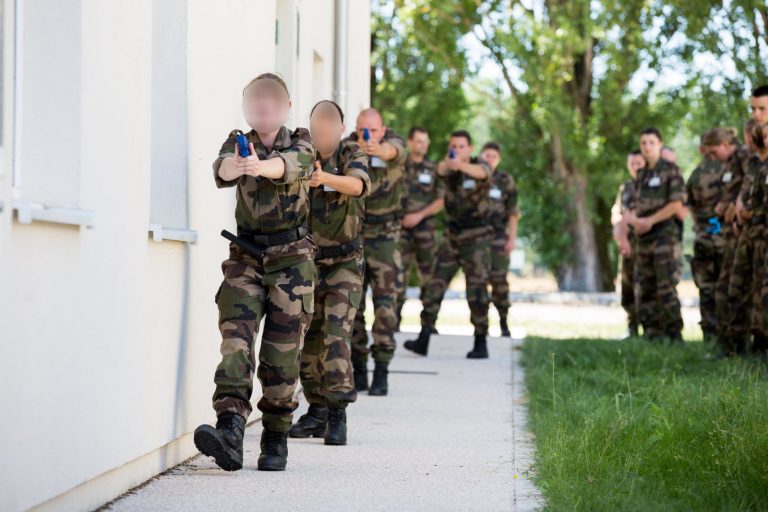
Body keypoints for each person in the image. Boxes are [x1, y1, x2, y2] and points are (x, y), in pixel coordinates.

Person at [194, 73, 316, 472]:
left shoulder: (301, 141)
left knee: (280, 359)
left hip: (291, 262)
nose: (262, 107)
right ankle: (229, 428)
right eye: (254, 101)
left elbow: (289, 167)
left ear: (285, 107)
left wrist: (260, 167)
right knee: (236, 342)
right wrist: (238, 164)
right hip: (246, 257)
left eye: (270, 101)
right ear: (247, 107)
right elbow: (223, 168)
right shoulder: (237, 140)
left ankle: (276, 434)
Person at [289, 100, 370, 445]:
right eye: (316, 126)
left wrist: (324, 178)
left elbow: (358, 186)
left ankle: (338, 412)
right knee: (307, 343)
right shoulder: (301, 152)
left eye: (328, 126)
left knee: (336, 337)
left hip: (344, 264)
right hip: (308, 262)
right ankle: (318, 410)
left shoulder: (352, 152)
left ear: (340, 128)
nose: (322, 132)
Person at [404, 130, 493, 358]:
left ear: (470, 148)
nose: (458, 149)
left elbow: (483, 173)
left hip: (476, 236)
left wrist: (461, 165)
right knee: (435, 284)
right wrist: (450, 163)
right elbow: (441, 170)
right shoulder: (448, 168)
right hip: (453, 236)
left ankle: (481, 341)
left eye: (462, 146)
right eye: (454, 145)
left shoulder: (478, 165)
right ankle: (424, 337)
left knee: (476, 290)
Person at [348, 109, 407, 396]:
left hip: (385, 237)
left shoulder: (394, 144)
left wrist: (378, 150)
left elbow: (393, 151)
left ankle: (382, 367)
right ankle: (359, 368)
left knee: (386, 306)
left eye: (373, 129)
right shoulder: (348, 147)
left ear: (383, 129)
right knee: (353, 306)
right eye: (362, 130)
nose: (367, 135)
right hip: (354, 235)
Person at [627, 127, 686, 342]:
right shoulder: (641, 175)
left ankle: (674, 334)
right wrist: (635, 221)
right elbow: (631, 206)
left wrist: (650, 221)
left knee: (666, 286)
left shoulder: (671, 171)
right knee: (646, 286)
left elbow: (676, 203)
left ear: (660, 144)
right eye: (643, 143)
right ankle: (652, 333)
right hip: (642, 239)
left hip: (664, 237)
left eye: (651, 142)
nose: (647, 147)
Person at [395, 127, 445, 331]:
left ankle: (428, 323)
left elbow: (442, 200)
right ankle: (393, 321)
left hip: (425, 230)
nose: (422, 145)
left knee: (429, 277)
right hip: (400, 229)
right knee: (398, 275)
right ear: (410, 142)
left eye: (425, 141)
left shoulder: (433, 168)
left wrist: (419, 215)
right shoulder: (398, 165)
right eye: (418, 141)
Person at [713, 123, 752, 355]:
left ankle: (743, 347)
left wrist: (735, 211)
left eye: (714, 151)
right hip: (728, 232)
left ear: (725, 145)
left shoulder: (744, 157)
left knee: (738, 290)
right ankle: (730, 345)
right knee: (725, 290)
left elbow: (750, 192)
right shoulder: (728, 164)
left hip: (746, 231)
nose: (712, 157)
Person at [685, 131, 725, 343]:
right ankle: (731, 338)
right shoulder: (730, 169)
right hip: (727, 238)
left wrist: (703, 225)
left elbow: (689, 205)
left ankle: (710, 336)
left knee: (707, 289)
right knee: (728, 287)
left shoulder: (695, 175)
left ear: (702, 149)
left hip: (704, 237)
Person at [480, 142, 519, 337]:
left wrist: (511, 239)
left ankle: (503, 322)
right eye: (487, 155)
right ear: (480, 156)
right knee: (478, 283)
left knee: (499, 282)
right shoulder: (474, 175)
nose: (490, 159)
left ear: (499, 159)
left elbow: (513, 213)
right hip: (476, 238)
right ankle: (481, 327)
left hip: (497, 239)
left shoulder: (505, 180)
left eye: (493, 156)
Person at [612, 150, 645, 338]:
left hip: (647, 244)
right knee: (628, 285)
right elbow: (617, 211)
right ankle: (632, 327)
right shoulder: (625, 188)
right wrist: (620, 235)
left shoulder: (650, 186)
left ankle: (651, 328)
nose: (635, 166)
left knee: (645, 286)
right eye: (631, 163)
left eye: (638, 163)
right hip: (627, 243)